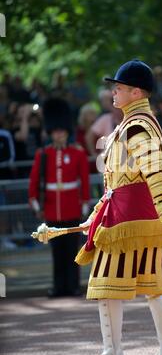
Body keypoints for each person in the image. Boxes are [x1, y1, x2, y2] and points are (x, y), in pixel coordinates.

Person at [73, 59, 162, 355]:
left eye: (118, 87)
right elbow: (116, 185)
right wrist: (94, 217)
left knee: (106, 289)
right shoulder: (134, 122)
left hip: (128, 223)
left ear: (135, 92)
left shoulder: (136, 125)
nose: (113, 92)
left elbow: (155, 171)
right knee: (156, 288)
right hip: (138, 220)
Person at [29, 98, 90, 298]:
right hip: (51, 208)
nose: (59, 134)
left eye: (61, 131)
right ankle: (59, 286)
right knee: (57, 252)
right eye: (55, 131)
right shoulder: (43, 154)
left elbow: (84, 180)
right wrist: (35, 200)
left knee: (73, 250)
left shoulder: (77, 153)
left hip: (72, 207)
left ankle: (73, 286)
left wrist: (84, 203)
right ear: (51, 132)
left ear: (66, 131)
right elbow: (35, 180)